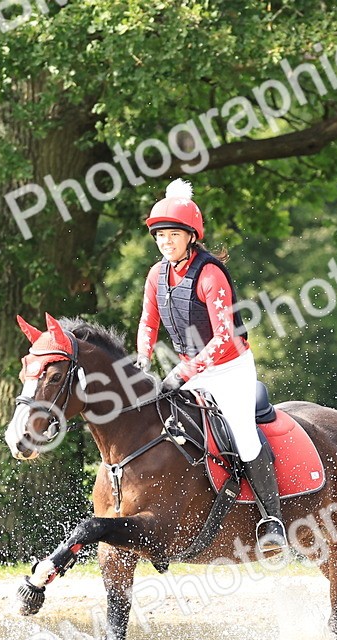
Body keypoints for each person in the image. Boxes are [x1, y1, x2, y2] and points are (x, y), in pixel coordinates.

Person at [136, 178, 286, 554]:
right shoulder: (156, 275)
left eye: (172, 234)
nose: (165, 242)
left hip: (230, 369)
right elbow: (147, 324)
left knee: (244, 436)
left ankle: (273, 520)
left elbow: (222, 339)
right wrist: (143, 359)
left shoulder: (210, 274)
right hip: (190, 368)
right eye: (160, 236)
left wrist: (184, 372)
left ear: (190, 235)